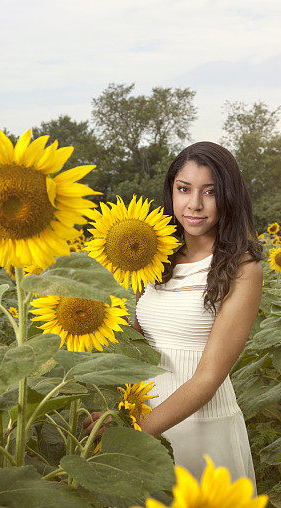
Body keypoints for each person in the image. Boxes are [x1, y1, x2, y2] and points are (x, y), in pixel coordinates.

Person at [83, 141, 264, 493]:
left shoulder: (243, 267)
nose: (194, 204)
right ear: (171, 192)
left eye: (209, 193)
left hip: (201, 424)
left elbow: (209, 377)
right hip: (140, 410)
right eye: (184, 189)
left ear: (229, 197)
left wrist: (133, 435)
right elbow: (137, 344)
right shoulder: (153, 254)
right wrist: (112, 412)